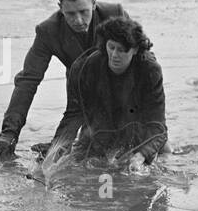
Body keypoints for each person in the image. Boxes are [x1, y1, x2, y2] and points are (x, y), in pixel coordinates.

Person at [0, 0, 131, 160]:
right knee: (62, 154)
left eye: (84, 12)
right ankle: (67, 143)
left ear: (94, 3)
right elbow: (27, 82)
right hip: (79, 90)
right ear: (60, 8)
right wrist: (8, 135)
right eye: (70, 14)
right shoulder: (48, 31)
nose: (78, 20)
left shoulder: (115, 14)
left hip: (121, 85)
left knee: (123, 148)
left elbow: (143, 60)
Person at [48, 16, 167, 166]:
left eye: (122, 50)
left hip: (137, 130)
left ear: (135, 50)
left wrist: (141, 155)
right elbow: (74, 115)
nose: (115, 55)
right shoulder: (86, 68)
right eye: (111, 47)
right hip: (100, 130)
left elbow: (158, 125)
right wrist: (56, 150)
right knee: (75, 162)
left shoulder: (150, 70)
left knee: (163, 155)